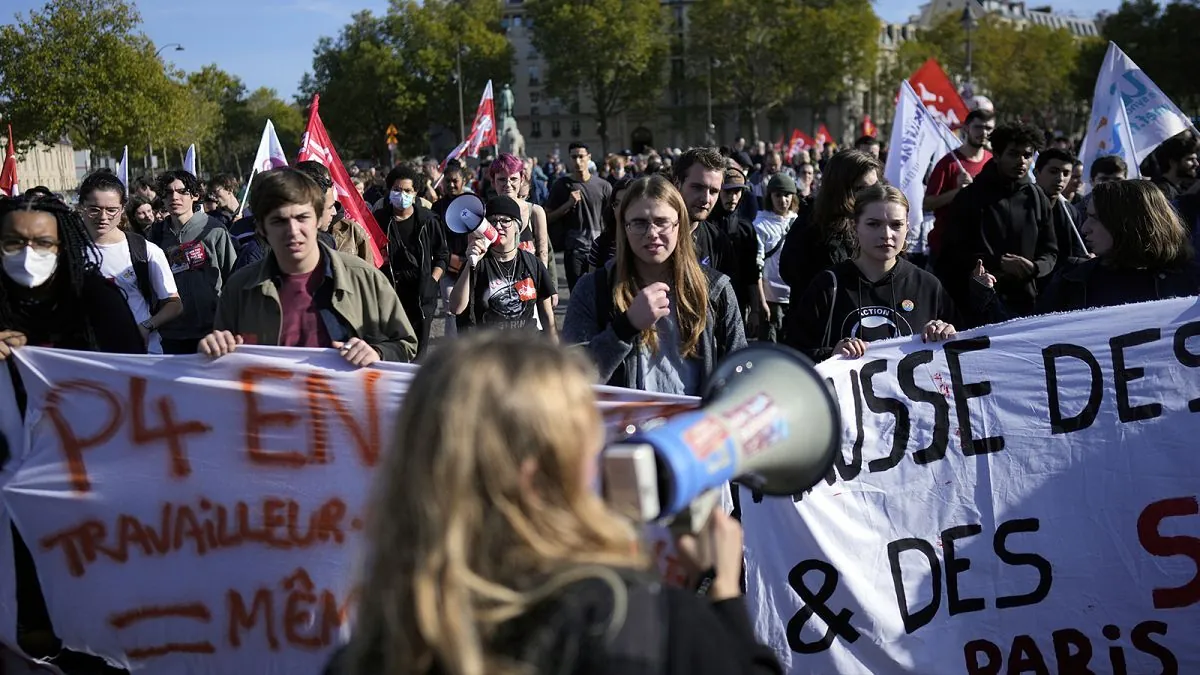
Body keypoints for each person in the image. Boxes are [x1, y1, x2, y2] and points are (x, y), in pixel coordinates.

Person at [325, 332, 780, 675]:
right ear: (538, 475)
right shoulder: (648, 629)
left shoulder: (369, 655)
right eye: (585, 441)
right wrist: (721, 592)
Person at [198, 168, 417, 363]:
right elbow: (221, 362)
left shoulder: (364, 278)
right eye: (279, 221)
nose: (293, 231)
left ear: (318, 220)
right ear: (262, 229)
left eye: (302, 217)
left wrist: (377, 352)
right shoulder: (239, 288)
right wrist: (212, 349)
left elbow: (406, 344)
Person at [562, 175, 746, 395]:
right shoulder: (593, 289)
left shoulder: (716, 290)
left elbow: (740, 377)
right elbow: (570, 380)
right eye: (639, 223)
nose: (652, 234)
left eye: (662, 222)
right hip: (622, 427)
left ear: (679, 224)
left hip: (695, 427)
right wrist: (624, 328)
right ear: (624, 227)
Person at [785, 185, 958, 362]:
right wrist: (831, 355)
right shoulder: (829, 285)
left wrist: (946, 333)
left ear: (907, 227)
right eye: (873, 224)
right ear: (855, 226)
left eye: (896, 225)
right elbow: (793, 356)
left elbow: (962, 353)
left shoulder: (928, 286)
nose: (886, 234)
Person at [974, 180, 1199, 315]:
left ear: (1128, 224)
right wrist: (987, 297)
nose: (1085, 228)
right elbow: (1029, 338)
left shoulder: (1190, 279)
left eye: (1096, 218)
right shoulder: (1073, 280)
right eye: (1086, 217)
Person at [936, 121, 1056, 322]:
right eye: (1013, 154)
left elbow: (1051, 251)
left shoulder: (1037, 197)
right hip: (975, 307)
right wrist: (996, 263)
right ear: (997, 155)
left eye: (1027, 155)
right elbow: (950, 254)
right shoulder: (969, 197)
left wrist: (1034, 268)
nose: (1021, 161)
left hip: (1026, 305)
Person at [0, 194, 144, 360]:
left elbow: (133, 369)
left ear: (62, 247)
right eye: (14, 242)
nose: (28, 252)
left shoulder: (99, 298)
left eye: (44, 242)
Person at [77, 171, 182, 354]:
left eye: (111, 210)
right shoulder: (69, 252)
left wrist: (146, 326)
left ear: (122, 209)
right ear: (81, 207)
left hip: (142, 356)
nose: (103, 217)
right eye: (94, 209)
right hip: (91, 357)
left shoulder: (145, 250)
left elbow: (174, 304)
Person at [146, 170, 239, 354]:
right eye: (168, 192)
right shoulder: (155, 235)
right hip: (170, 333)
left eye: (182, 191)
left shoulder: (214, 230)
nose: (175, 197)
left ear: (195, 196)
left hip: (210, 333)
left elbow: (233, 280)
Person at [448, 196, 556, 338]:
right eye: (493, 221)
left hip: (528, 348)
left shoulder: (532, 263)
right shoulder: (479, 264)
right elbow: (456, 308)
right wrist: (470, 264)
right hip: (490, 351)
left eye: (505, 221)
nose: (498, 226)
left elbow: (547, 315)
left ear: (517, 227)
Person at [778, 150, 882, 298]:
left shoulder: (878, 224)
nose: (873, 195)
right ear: (839, 189)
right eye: (862, 189)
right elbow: (790, 273)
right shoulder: (809, 226)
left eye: (875, 187)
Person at [374, 163, 449, 356]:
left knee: (418, 352)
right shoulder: (379, 220)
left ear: (415, 192)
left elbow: (442, 256)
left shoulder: (428, 220)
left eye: (407, 190)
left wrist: (432, 281)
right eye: (397, 190)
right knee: (392, 350)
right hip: (390, 294)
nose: (402, 194)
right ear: (389, 191)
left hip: (421, 296)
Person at [923, 109, 996, 260]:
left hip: (980, 248)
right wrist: (957, 192)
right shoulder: (948, 163)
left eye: (988, 128)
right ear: (966, 128)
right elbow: (927, 204)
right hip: (946, 248)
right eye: (978, 127)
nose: (983, 132)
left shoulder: (993, 162)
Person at [546, 142, 612, 291]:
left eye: (581, 157)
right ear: (569, 158)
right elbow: (547, 217)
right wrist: (568, 204)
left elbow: (613, 218)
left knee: (601, 294)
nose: (577, 161)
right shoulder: (562, 185)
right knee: (577, 294)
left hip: (599, 250)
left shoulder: (604, 186)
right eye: (573, 157)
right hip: (573, 251)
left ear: (588, 157)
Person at [295, 160, 374, 264]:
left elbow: (367, 275)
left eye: (327, 180)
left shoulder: (352, 231)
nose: (334, 212)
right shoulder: (284, 237)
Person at [751, 173, 799, 342]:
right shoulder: (760, 225)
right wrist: (761, 302)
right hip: (771, 300)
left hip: (795, 297)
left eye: (787, 195)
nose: (783, 200)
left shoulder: (799, 222)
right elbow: (757, 267)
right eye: (777, 195)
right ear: (770, 196)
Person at [1033, 149, 1089, 282]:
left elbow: (1076, 251)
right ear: (1036, 172)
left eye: (1066, 173)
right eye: (1053, 171)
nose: (1060, 178)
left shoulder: (1070, 212)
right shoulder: (1018, 206)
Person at [708, 166, 758, 316]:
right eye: (727, 192)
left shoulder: (746, 228)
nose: (733, 197)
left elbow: (751, 271)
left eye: (737, 192)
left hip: (738, 299)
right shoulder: (706, 224)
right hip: (709, 299)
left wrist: (755, 309)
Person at [1151, 132, 1198, 201]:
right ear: (1172, 162)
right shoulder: (1162, 191)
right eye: (1190, 159)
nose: (1196, 164)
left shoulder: (1181, 187)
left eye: (1196, 159)